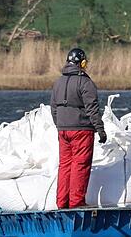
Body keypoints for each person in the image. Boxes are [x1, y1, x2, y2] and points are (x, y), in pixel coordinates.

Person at [50, 48, 106, 209]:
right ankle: (76, 203)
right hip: (82, 130)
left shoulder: (58, 82)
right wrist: (100, 129)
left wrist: (59, 125)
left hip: (63, 130)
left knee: (65, 165)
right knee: (80, 165)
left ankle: (62, 203)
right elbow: (92, 109)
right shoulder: (85, 82)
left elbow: (53, 107)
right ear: (82, 63)